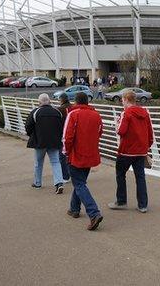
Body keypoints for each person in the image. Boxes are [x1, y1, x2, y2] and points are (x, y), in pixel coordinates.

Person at [108, 90, 154, 213]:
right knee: (140, 177)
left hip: (126, 151)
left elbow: (121, 131)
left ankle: (121, 201)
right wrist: (147, 147)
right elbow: (150, 132)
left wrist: (118, 122)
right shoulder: (145, 113)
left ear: (126, 100)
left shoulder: (126, 113)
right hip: (141, 150)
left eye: (122, 100)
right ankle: (142, 205)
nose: (122, 102)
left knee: (120, 174)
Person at [63, 92, 104, 231]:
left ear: (76, 101)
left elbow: (67, 137)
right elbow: (99, 133)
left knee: (79, 184)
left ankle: (94, 213)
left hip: (76, 154)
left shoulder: (73, 114)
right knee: (80, 182)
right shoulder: (96, 115)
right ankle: (74, 208)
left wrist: (65, 152)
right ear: (87, 102)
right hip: (90, 154)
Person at [25, 93, 65, 193]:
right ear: (49, 101)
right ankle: (59, 183)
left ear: (39, 102)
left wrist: (33, 136)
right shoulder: (57, 112)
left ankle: (37, 183)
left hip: (40, 142)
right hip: (54, 142)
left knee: (38, 163)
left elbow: (28, 127)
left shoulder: (35, 112)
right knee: (56, 162)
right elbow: (62, 127)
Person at [56, 92, 72, 181]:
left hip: (63, 134)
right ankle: (72, 173)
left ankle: (65, 176)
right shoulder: (73, 107)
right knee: (71, 155)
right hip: (73, 134)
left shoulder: (60, 109)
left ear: (61, 100)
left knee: (62, 155)